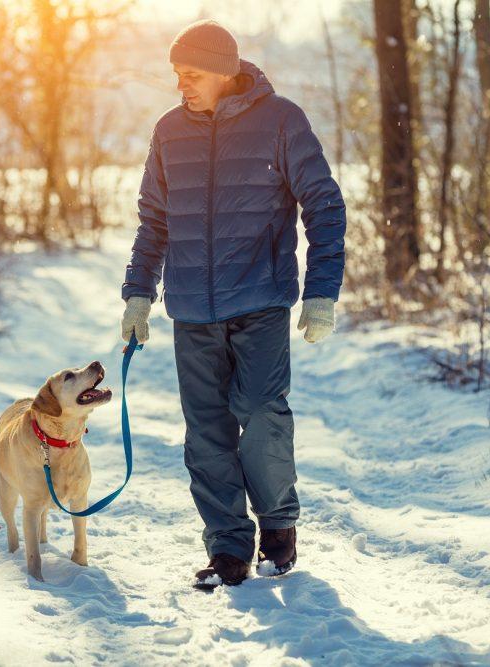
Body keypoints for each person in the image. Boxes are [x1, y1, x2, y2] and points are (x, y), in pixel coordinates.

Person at [120, 19, 346, 590]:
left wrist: (321, 292)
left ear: (223, 71)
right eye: (176, 75)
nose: (181, 86)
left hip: (260, 302)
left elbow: (324, 204)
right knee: (206, 433)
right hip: (192, 311)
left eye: (190, 74)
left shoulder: (282, 121)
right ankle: (227, 550)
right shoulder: (169, 131)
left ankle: (277, 530)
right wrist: (139, 294)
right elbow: (154, 221)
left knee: (263, 415)